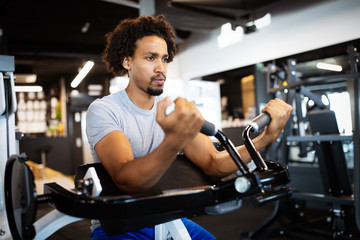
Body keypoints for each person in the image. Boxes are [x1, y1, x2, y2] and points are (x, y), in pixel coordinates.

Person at [86, 15, 293, 240]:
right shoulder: (105, 109)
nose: (160, 68)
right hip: (121, 224)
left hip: (169, 218)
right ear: (127, 61)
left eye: (164, 59)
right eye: (150, 58)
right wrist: (174, 139)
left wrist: (266, 137)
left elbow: (215, 163)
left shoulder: (174, 110)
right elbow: (127, 179)